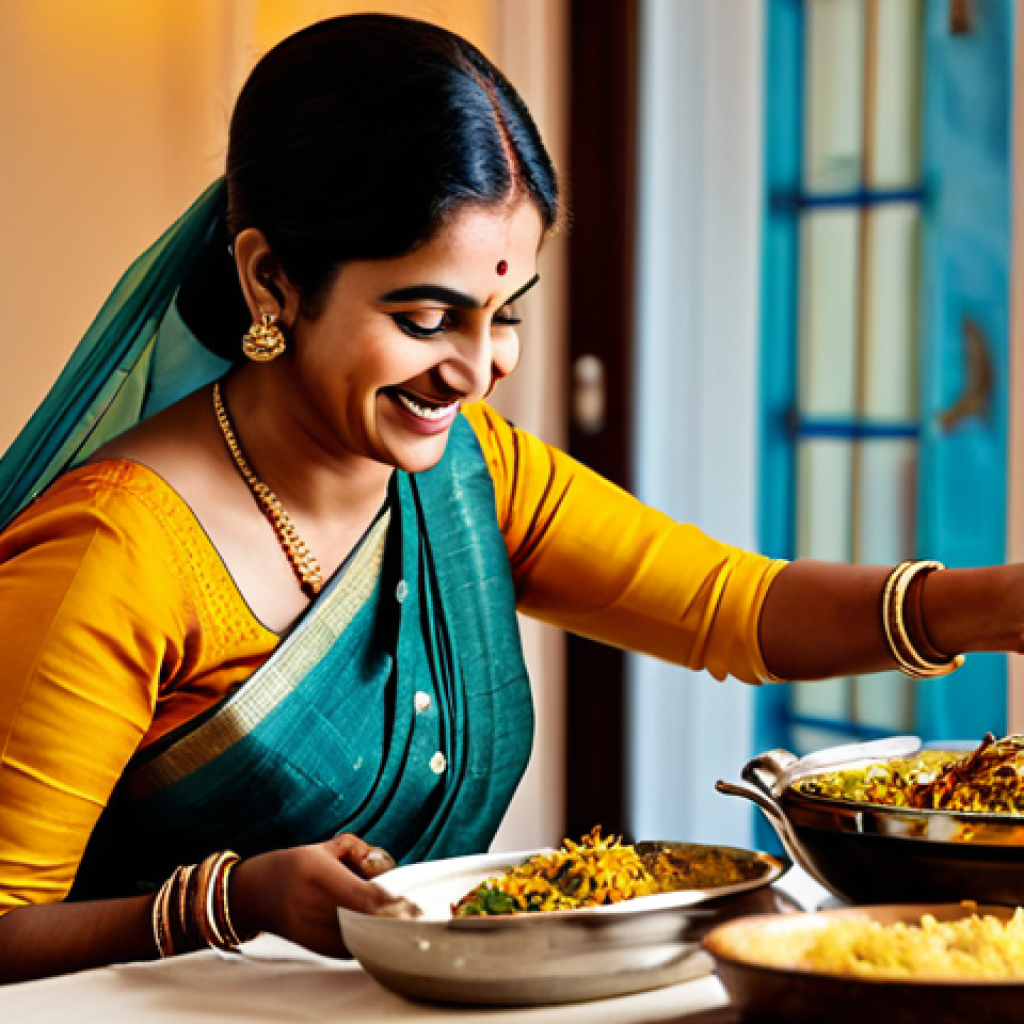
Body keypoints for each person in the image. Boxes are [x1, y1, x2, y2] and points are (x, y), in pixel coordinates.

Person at [0, 13, 1020, 984]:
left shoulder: (471, 469)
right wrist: (224, 902)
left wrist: (992, 604)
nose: (477, 367)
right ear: (272, 280)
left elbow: (732, 607)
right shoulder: (113, 549)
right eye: (426, 315)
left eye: (504, 315)